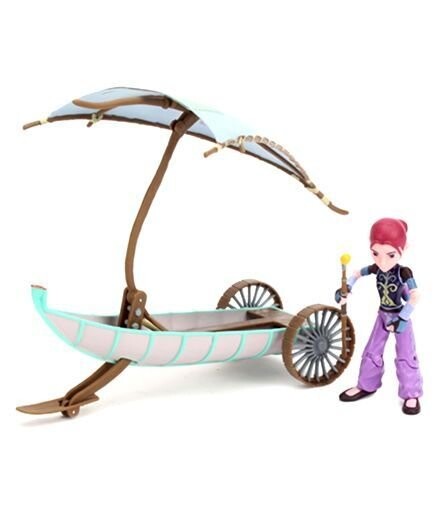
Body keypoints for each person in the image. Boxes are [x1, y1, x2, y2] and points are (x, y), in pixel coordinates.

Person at [336, 218, 423, 415]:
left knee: (406, 354)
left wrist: (402, 318)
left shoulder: (403, 272)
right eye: (375, 253)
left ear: (403, 249)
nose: (382, 262)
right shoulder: (376, 269)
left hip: (399, 316)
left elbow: (416, 295)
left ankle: (411, 394)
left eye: (390, 255)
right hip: (382, 315)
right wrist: (346, 289)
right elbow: (356, 273)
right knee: (372, 350)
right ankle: (366, 385)